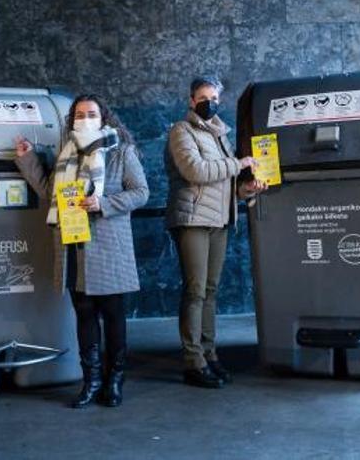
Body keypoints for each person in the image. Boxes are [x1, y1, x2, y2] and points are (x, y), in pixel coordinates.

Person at [14, 94, 149, 408]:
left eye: (91, 113)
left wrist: (104, 204)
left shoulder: (122, 152)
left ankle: (115, 380)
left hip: (109, 245)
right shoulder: (66, 154)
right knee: (85, 314)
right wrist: (28, 160)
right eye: (79, 114)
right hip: (73, 243)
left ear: (103, 117)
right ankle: (91, 381)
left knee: (113, 315)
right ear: (71, 118)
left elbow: (141, 192)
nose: (85, 118)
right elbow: (52, 193)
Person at [165, 76, 267, 389]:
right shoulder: (181, 130)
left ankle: (210, 355)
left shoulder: (221, 134)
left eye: (214, 97)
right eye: (203, 97)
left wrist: (246, 189)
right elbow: (195, 171)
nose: (210, 102)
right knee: (195, 291)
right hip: (192, 219)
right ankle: (192, 361)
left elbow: (223, 183)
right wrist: (239, 164)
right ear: (191, 101)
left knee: (210, 290)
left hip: (221, 219)